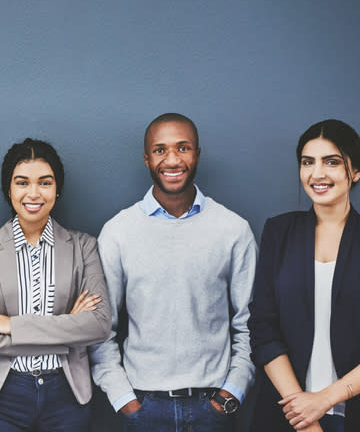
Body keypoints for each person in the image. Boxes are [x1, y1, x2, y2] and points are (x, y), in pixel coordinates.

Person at [89, 113, 258, 431]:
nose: (172, 159)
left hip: (214, 408)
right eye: (160, 149)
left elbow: (250, 324)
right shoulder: (118, 232)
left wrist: (230, 394)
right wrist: (124, 399)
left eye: (183, 148)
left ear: (197, 154)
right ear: (146, 158)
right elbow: (100, 329)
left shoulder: (233, 230)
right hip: (144, 409)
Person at [0, 137, 111, 432]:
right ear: (9, 188)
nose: (33, 193)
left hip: (66, 394)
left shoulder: (83, 246)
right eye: (22, 182)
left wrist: (10, 325)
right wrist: (68, 329)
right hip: (1, 398)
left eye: (45, 182)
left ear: (57, 189)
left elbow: (99, 325)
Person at [248, 119, 360, 432]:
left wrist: (324, 399)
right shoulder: (279, 231)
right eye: (308, 162)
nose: (317, 173)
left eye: (332, 162)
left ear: (357, 171)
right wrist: (303, 412)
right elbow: (262, 326)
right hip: (287, 415)